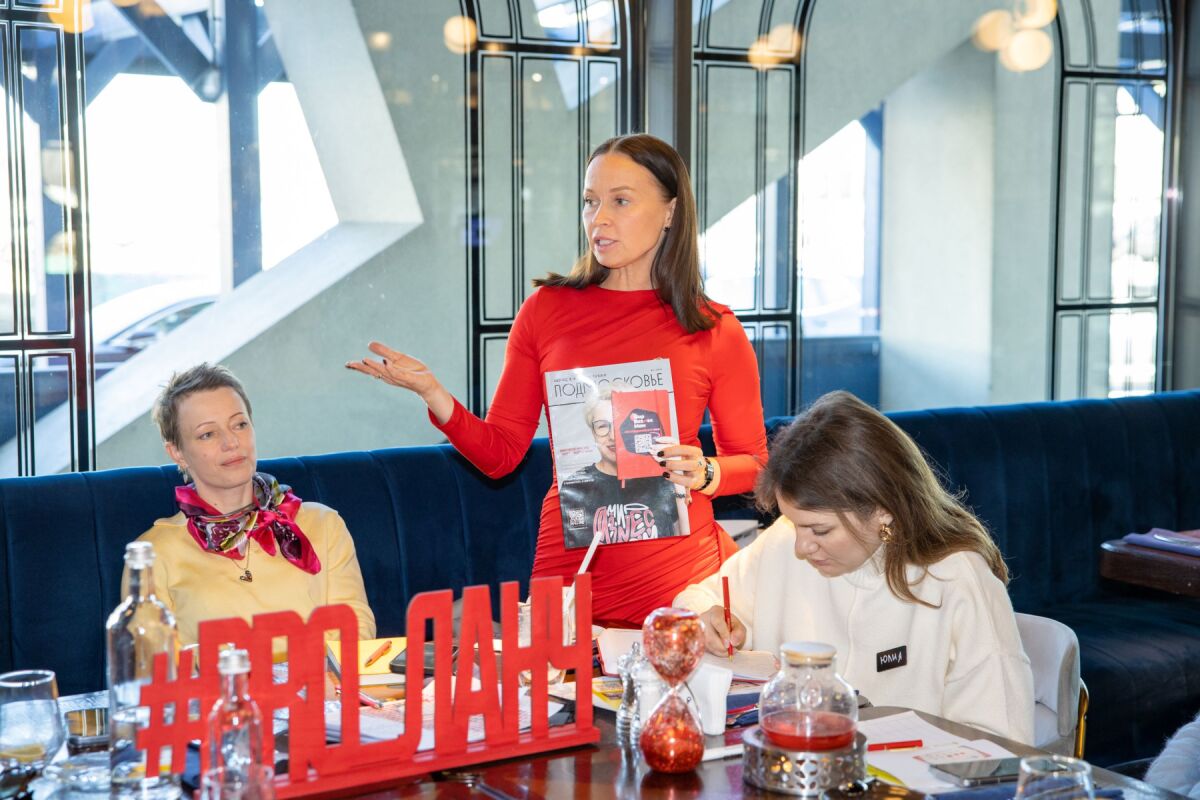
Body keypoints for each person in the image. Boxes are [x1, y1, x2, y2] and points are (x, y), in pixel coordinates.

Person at [349, 133, 767, 628]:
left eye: (620, 201)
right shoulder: (546, 311)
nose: (599, 218)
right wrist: (433, 394)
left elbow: (757, 464)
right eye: (590, 201)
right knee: (557, 680)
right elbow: (501, 454)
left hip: (678, 579)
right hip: (570, 571)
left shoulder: (713, 328)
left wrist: (706, 472)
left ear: (670, 212)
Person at [673, 390, 1035, 744]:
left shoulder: (956, 578)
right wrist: (705, 619)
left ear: (883, 510)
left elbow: (1000, 743)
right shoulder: (784, 541)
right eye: (794, 524)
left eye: (820, 530)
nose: (801, 546)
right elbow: (696, 600)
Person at [129, 363, 376, 646]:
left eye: (239, 424)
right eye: (208, 434)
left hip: (322, 677)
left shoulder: (323, 523)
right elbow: (153, 663)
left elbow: (354, 631)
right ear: (177, 453)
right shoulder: (152, 554)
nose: (231, 442)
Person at [559, 388, 684, 548]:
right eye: (602, 426)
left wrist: (678, 475)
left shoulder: (664, 477)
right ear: (592, 432)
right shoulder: (575, 485)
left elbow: (683, 540)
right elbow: (576, 550)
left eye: (620, 424)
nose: (613, 436)